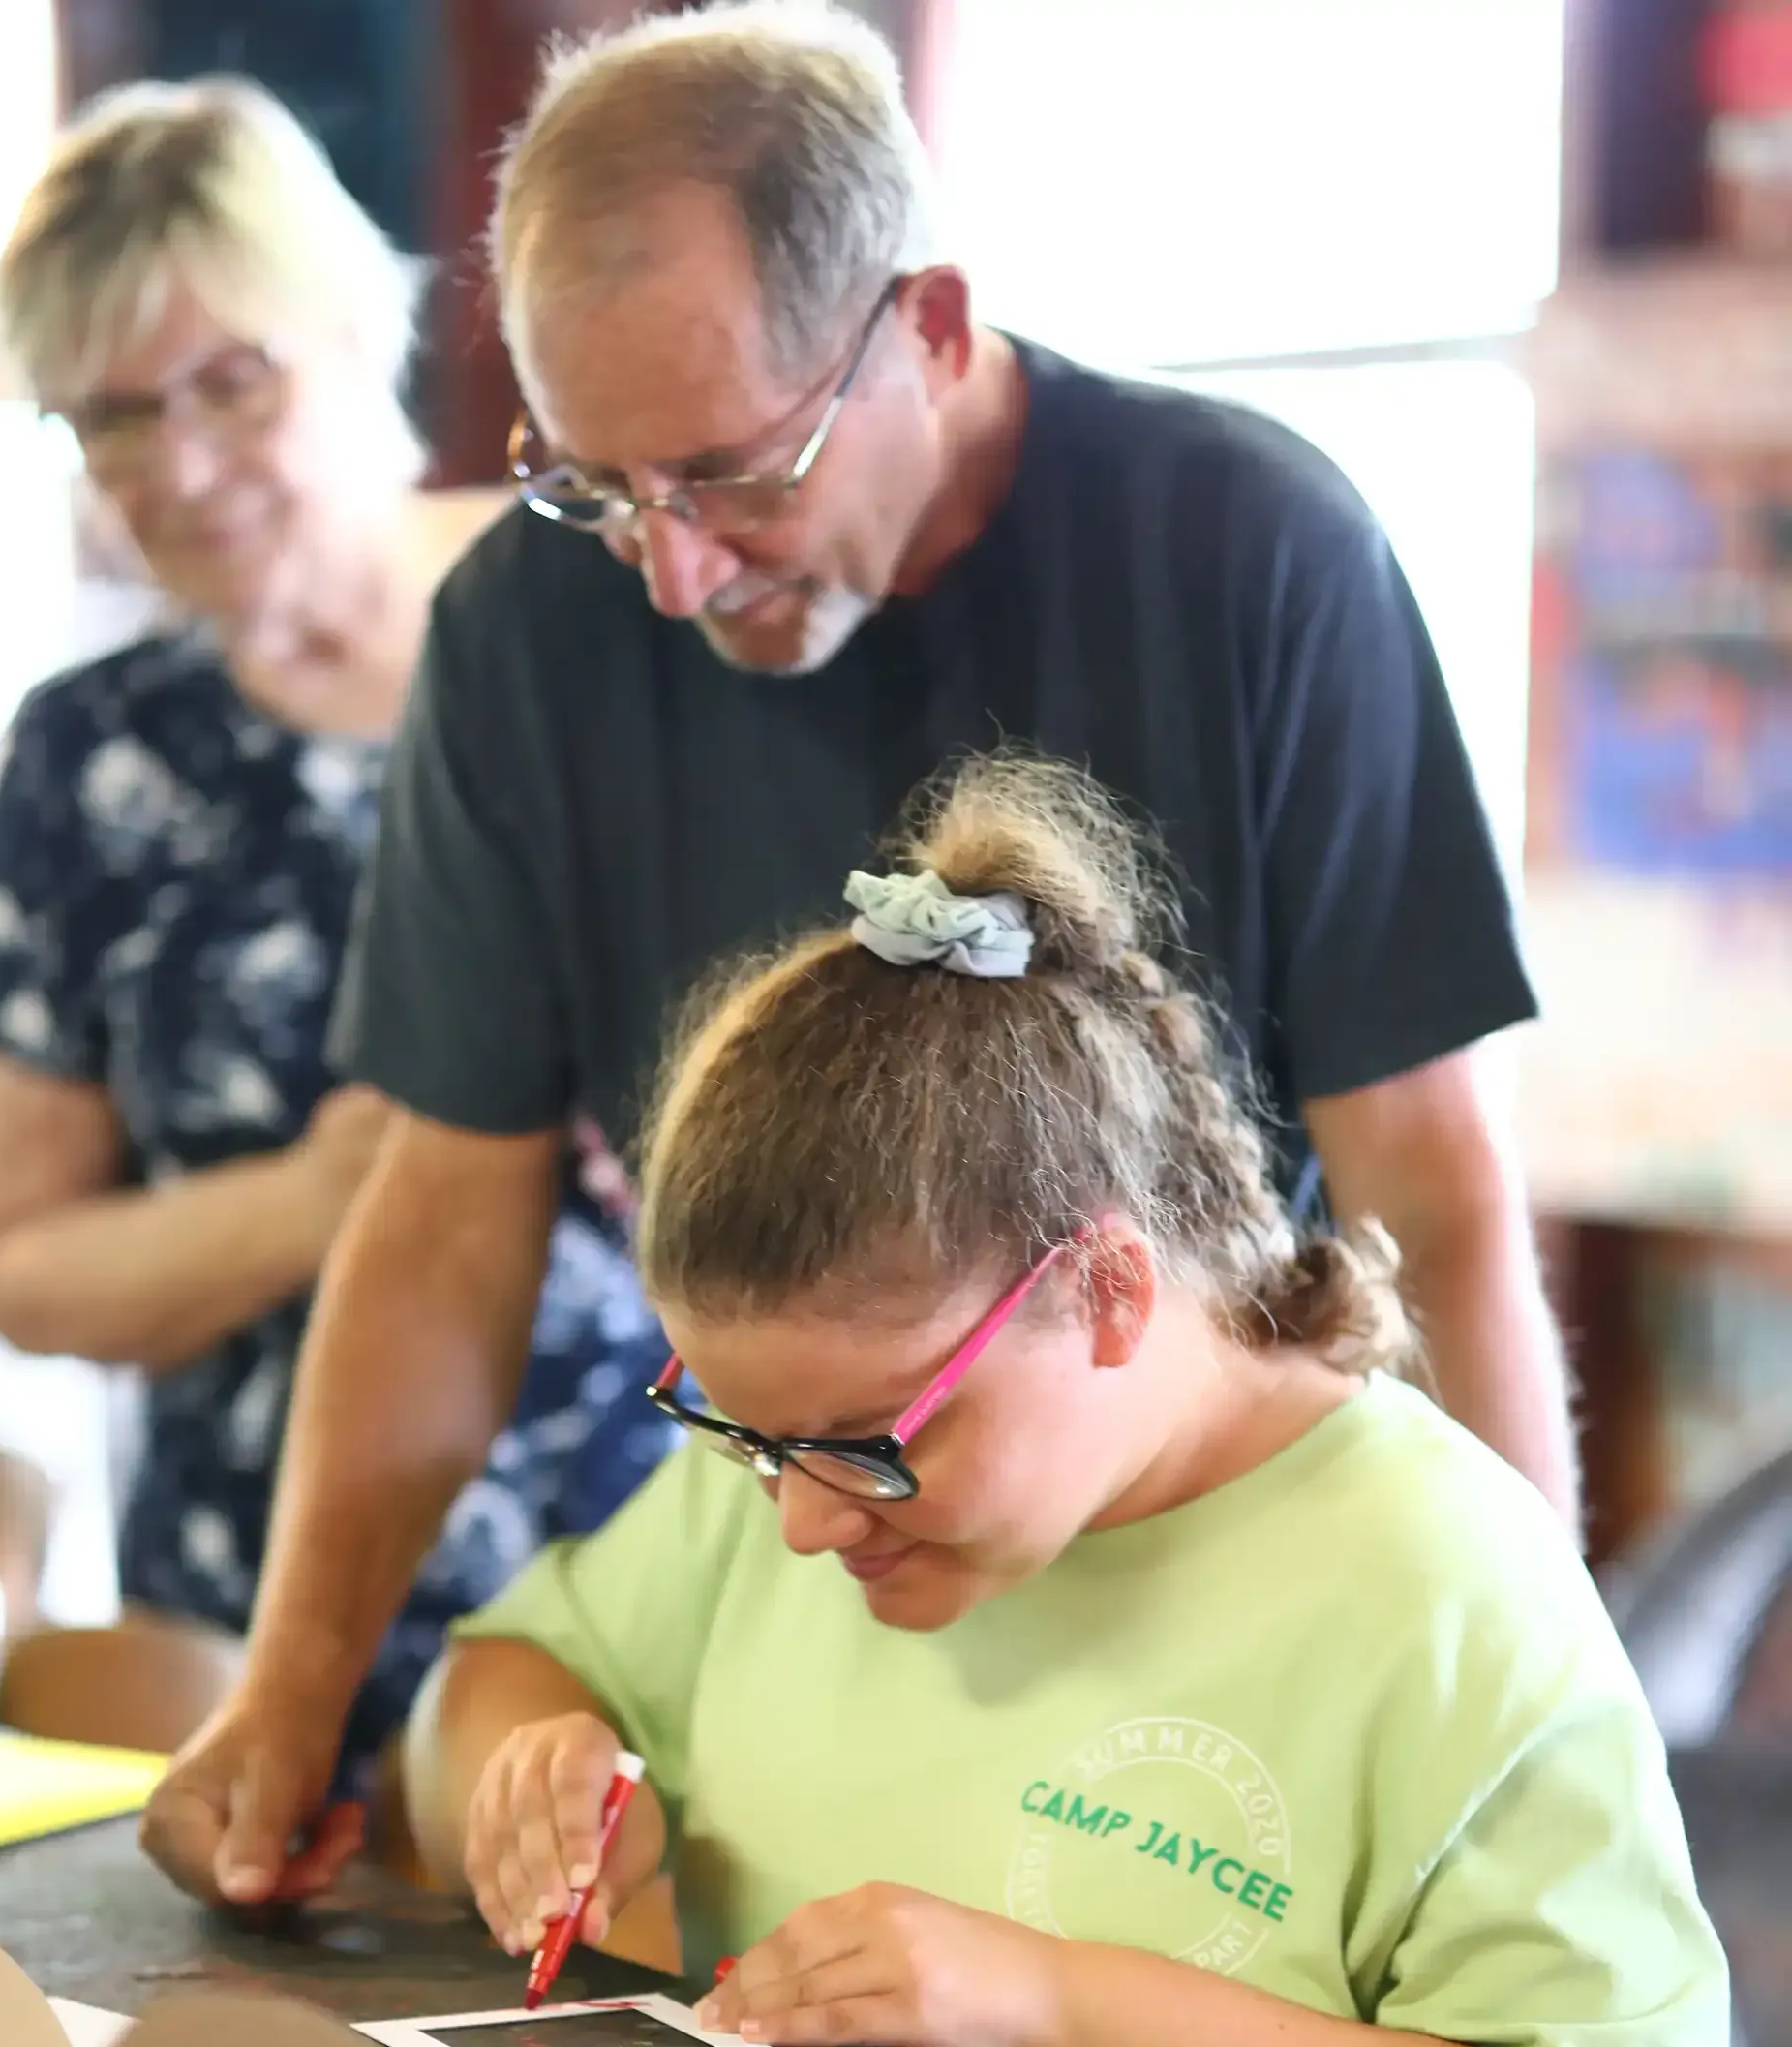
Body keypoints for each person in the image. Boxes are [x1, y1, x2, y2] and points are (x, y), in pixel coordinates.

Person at [143, 0, 1576, 1907]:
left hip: (1207, 1563)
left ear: (932, 325)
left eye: (732, 473)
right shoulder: (526, 627)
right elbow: (444, 1213)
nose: (671, 569)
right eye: (595, 482)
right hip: (804, 1545)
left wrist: (1546, 1705)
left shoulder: (1250, 553)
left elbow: (1432, 1188)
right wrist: (290, 1688)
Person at [403, 752, 1727, 2047]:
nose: (803, 1523)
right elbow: (501, 1673)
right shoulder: (797, 1457)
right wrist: (532, 1763)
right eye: (741, 1434)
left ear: (1104, 1291)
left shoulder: (1440, 1590)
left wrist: (1059, 2007)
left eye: (875, 1448)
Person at [0, 79, 672, 1817]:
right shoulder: (90, 761)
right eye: (112, 417)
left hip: (668, 1573)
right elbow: (14, 1263)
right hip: (259, 1624)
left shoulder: (616, 629)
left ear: (362, 328)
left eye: (231, 381)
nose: (178, 465)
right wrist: (348, 1188)